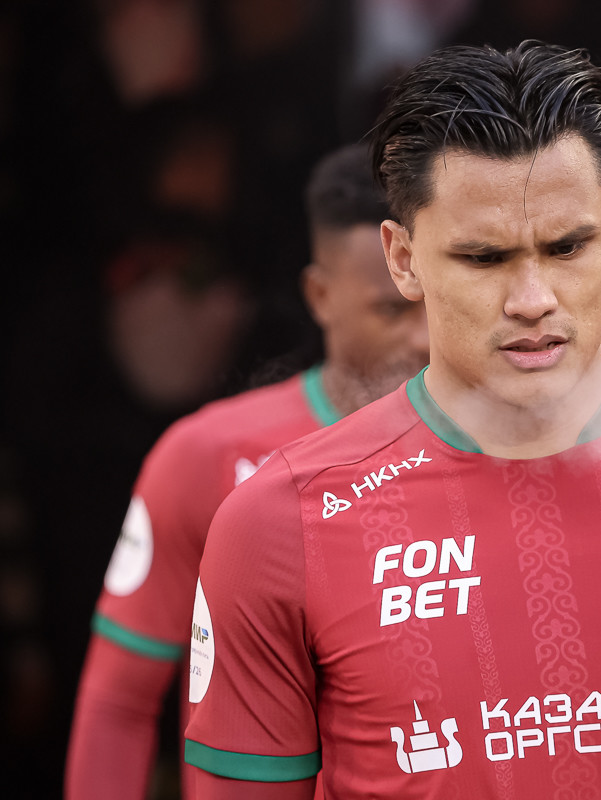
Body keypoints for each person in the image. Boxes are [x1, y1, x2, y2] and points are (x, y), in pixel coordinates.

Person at [182, 41, 601, 798]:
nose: (533, 299)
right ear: (402, 259)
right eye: (484, 258)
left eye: (567, 247)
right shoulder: (283, 524)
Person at [65, 142, 429, 799]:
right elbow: (119, 703)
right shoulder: (205, 455)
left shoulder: (511, 443)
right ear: (320, 295)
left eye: (437, 301)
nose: (425, 336)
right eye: (393, 308)